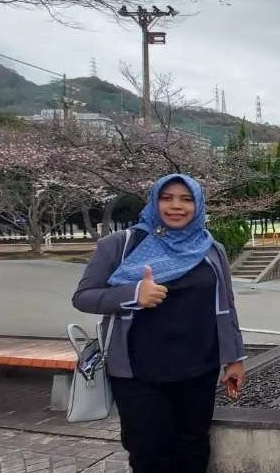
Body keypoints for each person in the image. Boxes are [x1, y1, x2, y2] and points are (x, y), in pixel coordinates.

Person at [72, 174, 246, 473]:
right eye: (167, 198)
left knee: (193, 446)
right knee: (148, 451)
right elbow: (83, 297)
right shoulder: (121, 245)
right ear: (154, 202)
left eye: (186, 199)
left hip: (198, 368)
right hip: (138, 372)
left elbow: (226, 306)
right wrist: (133, 294)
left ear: (198, 204)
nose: (176, 206)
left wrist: (235, 358)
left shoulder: (210, 249)